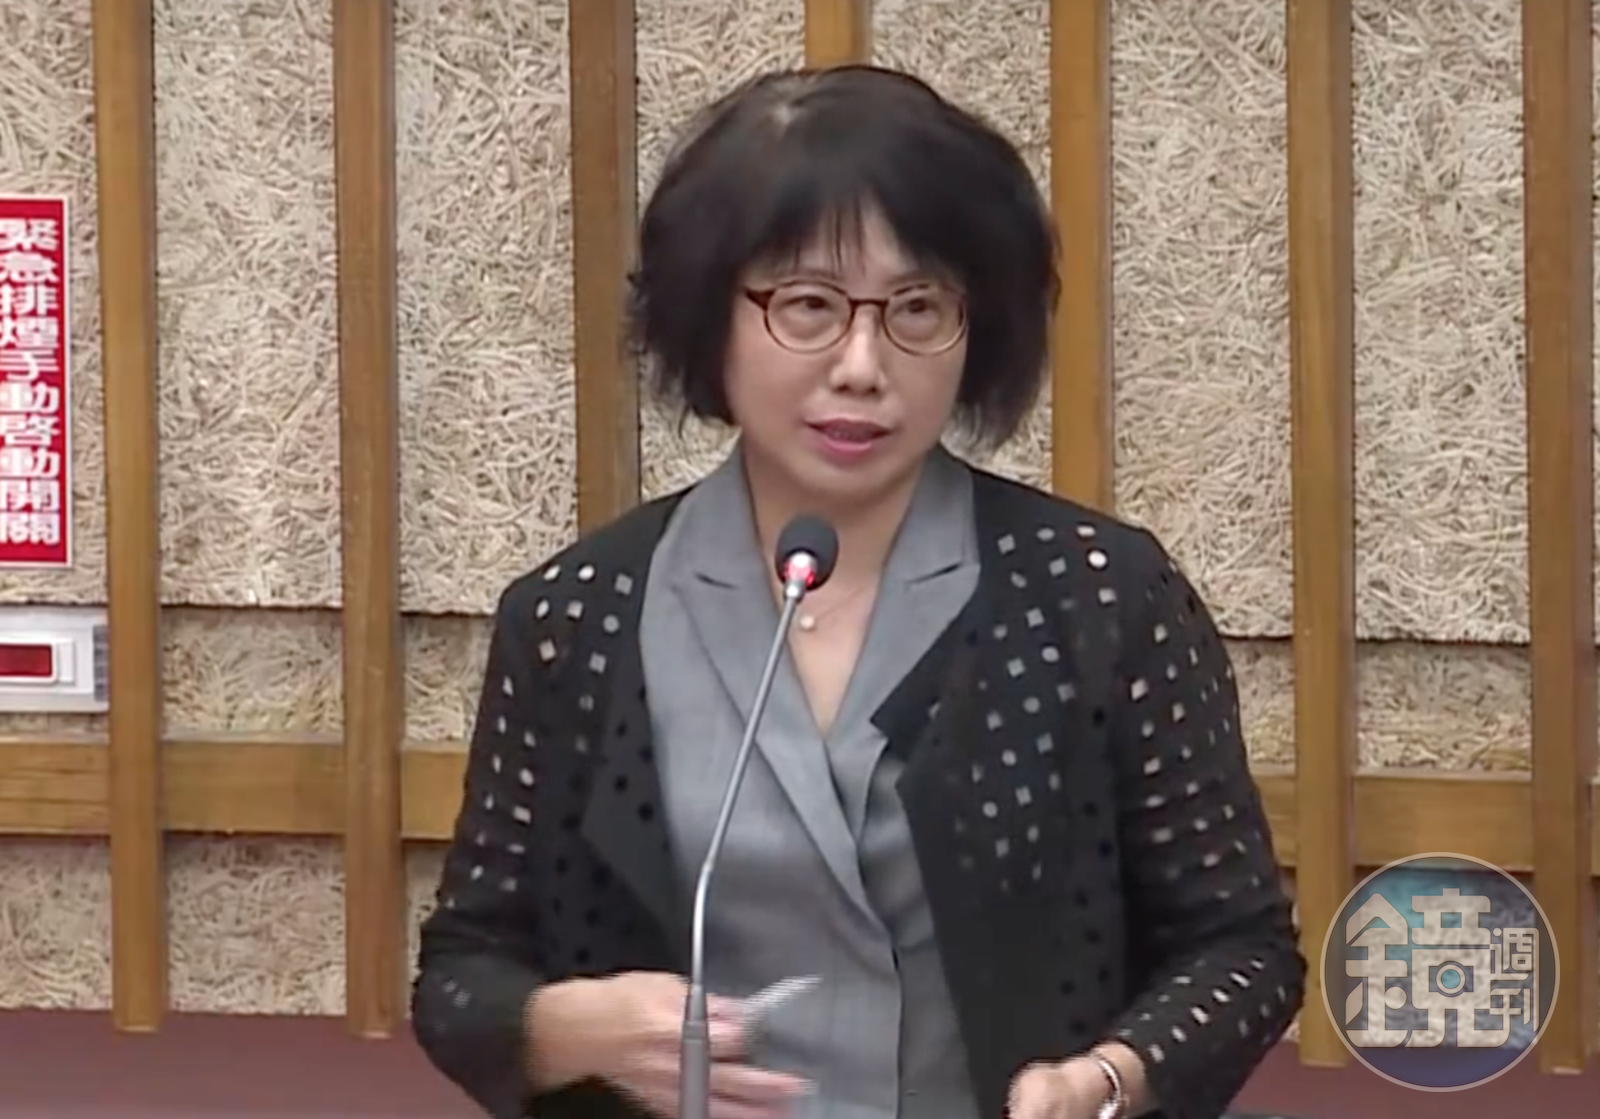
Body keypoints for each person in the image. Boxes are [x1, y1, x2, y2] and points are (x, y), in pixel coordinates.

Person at [411, 64, 1304, 1119]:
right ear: (710, 316)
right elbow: (462, 973)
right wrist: (565, 1030)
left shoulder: (1099, 597)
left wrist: (1104, 1080)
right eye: (807, 306)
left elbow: (1240, 948)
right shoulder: (580, 616)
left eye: (918, 307)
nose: (863, 364)